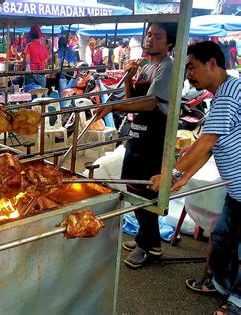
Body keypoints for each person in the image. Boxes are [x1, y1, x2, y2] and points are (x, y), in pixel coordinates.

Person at [149, 41, 241, 315]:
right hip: (236, 190)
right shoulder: (225, 91)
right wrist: (179, 178)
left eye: (191, 67)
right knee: (223, 238)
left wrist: (170, 175)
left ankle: (237, 301)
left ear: (212, 63)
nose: (188, 73)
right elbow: (207, 147)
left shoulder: (227, 95)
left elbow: (205, 143)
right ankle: (222, 284)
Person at [95, 22, 178, 268]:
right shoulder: (144, 66)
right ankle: (148, 238)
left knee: (147, 194)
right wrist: (130, 77)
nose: (150, 39)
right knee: (132, 190)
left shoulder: (167, 68)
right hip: (137, 135)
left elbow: (151, 102)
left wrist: (113, 106)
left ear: (169, 42)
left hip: (154, 138)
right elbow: (133, 100)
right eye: (149, 34)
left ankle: (148, 245)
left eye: (157, 36)